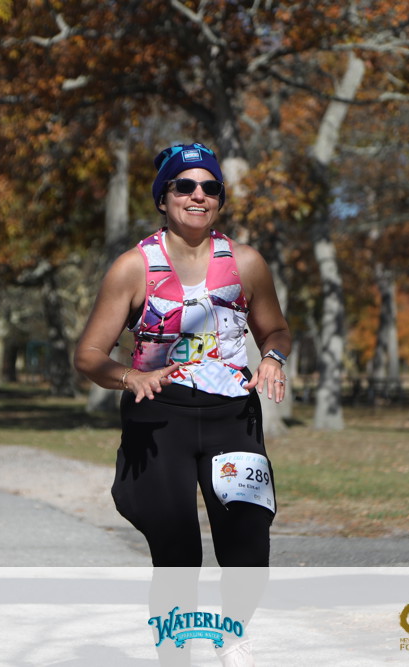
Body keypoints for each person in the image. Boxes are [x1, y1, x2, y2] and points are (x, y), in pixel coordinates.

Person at [74, 142, 291, 568]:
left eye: (211, 188)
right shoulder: (133, 267)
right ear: (163, 198)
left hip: (233, 418)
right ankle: (176, 616)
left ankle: (240, 615)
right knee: (177, 554)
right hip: (159, 419)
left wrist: (272, 358)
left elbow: (276, 331)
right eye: (184, 186)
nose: (198, 195)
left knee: (248, 551)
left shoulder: (246, 263)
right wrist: (130, 377)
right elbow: (89, 354)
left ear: (219, 200)